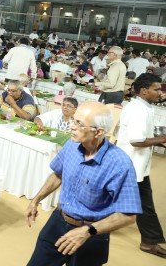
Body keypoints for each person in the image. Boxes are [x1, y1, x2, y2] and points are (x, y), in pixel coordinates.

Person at [25, 101, 141, 266]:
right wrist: (36, 200)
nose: (72, 126)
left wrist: (88, 231)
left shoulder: (119, 164)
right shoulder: (72, 145)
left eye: (79, 123)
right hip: (58, 221)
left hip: (92, 234)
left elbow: (128, 215)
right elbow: (58, 174)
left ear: (98, 131)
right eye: (74, 120)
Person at [117, 73, 166, 258]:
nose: (160, 92)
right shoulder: (138, 109)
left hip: (137, 165)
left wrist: (159, 140)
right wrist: (162, 139)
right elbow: (137, 140)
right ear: (144, 91)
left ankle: (149, 242)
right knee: (143, 203)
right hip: (130, 164)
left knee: (144, 203)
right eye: (157, 89)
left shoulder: (144, 106)